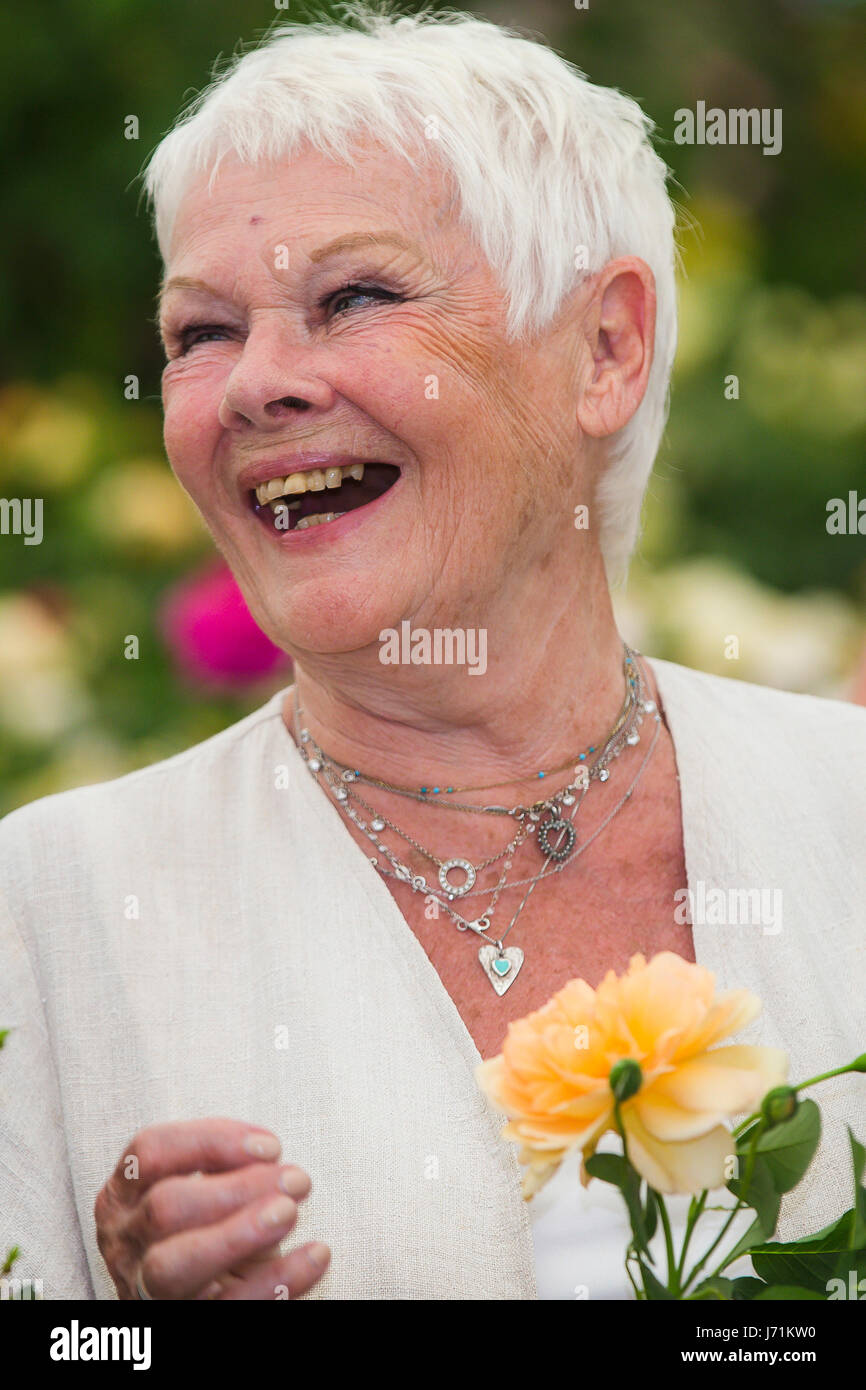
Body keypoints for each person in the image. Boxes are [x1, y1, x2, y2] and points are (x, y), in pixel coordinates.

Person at [1, 5, 864, 1301]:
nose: (255, 386)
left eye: (352, 297)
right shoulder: (47, 908)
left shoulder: (843, 807)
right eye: (201, 332)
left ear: (605, 348)